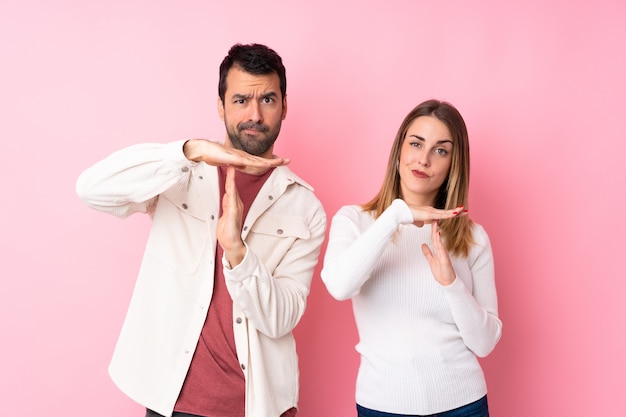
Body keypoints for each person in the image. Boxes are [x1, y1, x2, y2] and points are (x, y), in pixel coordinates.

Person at [76, 43, 326, 417]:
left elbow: (281, 318)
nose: (254, 114)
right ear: (221, 105)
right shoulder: (181, 175)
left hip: (258, 406)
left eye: (268, 100)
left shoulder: (305, 207)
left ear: (284, 106)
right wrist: (188, 151)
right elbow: (92, 189)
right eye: (241, 99)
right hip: (174, 401)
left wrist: (238, 254)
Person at [321, 99, 502, 417]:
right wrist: (395, 215)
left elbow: (485, 343)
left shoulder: (473, 238)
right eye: (416, 143)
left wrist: (451, 283)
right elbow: (338, 286)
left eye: (440, 150)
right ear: (399, 151)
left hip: (464, 405)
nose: (424, 159)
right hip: (382, 406)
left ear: (453, 164)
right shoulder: (356, 221)